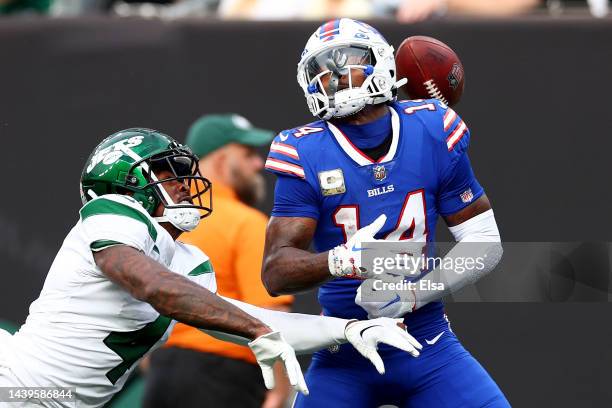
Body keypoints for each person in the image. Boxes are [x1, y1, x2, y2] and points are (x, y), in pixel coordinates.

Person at [0, 128, 423, 407]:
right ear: (127, 184)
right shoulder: (113, 214)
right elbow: (148, 282)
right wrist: (257, 331)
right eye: (167, 175)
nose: (184, 184)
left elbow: (246, 318)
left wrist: (345, 330)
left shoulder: (187, 260)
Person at [262, 18, 509, 407]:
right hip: (345, 347)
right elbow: (275, 272)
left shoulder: (432, 127)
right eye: (324, 69)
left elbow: (483, 243)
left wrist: (414, 293)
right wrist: (343, 260)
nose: (338, 75)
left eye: (349, 61)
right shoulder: (303, 151)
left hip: (427, 340)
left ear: (382, 64)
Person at [145, 114, 294, 408]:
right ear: (223, 160)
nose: (257, 164)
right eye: (248, 154)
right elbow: (270, 316)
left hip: (161, 376)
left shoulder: (160, 224)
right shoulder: (247, 222)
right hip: (225, 378)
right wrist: (278, 392)